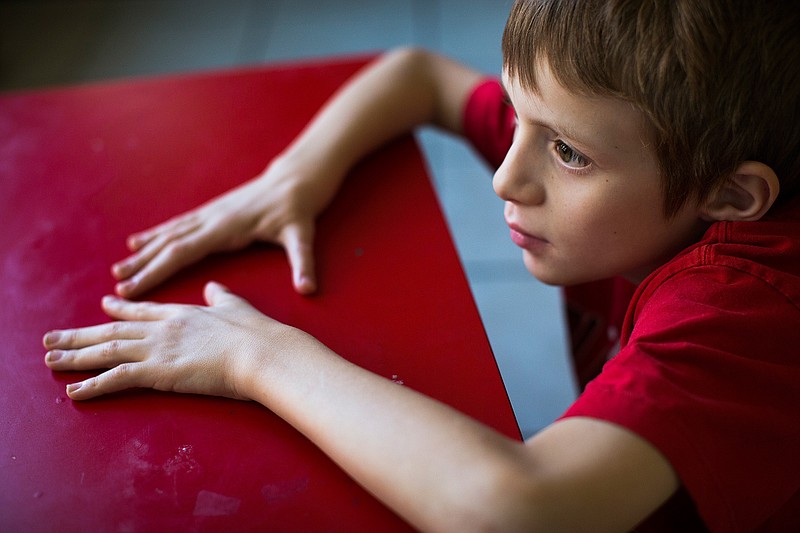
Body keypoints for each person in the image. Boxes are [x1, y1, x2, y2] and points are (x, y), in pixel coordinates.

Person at [43, 0, 800, 530]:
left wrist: (254, 355)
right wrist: (295, 173)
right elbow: (416, 74)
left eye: (567, 152)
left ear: (731, 195)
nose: (507, 176)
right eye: (518, 113)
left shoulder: (751, 312)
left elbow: (517, 509)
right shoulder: (639, 129)